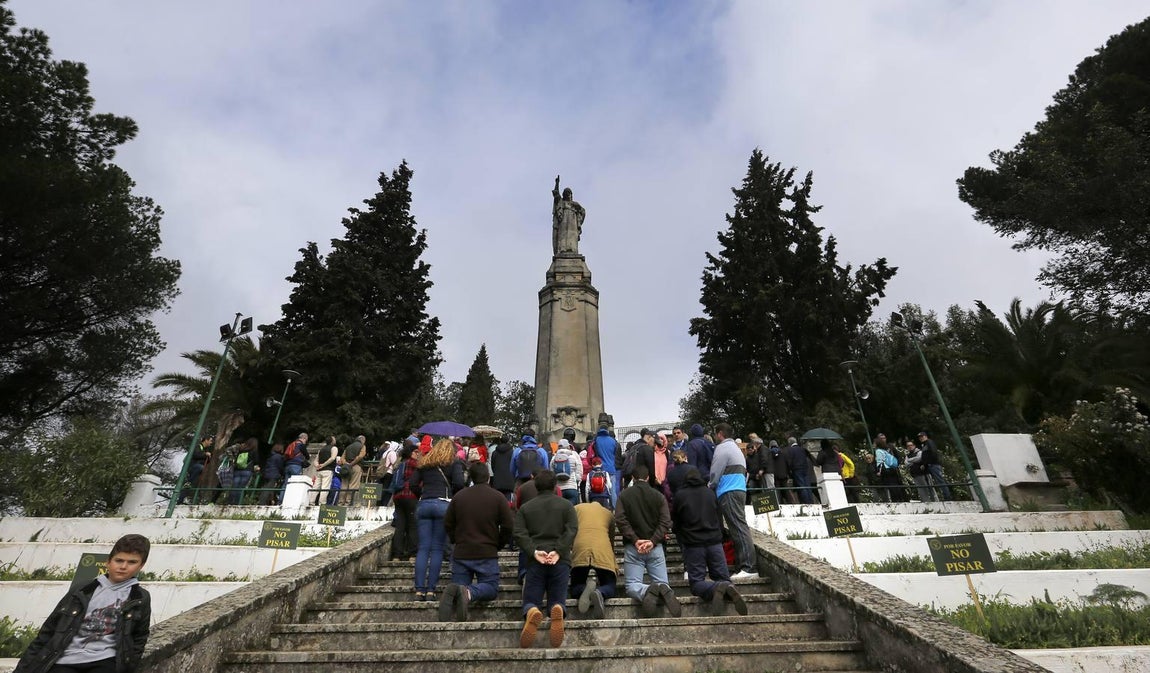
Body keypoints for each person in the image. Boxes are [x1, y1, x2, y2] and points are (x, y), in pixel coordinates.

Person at [16, 534, 152, 673]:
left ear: (141, 565)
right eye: (119, 560)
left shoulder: (140, 597)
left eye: (131, 562)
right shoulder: (82, 590)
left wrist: (129, 665)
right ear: (108, 562)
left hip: (106, 661)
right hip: (64, 658)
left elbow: (139, 637)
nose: (123, 566)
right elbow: (49, 630)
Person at [441, 463, 514, 622]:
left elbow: (448, 523)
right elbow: (508, 525)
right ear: (488, 477)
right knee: (491, 588)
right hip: (486, 552)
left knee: (457, 587)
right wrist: (498, 543)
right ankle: (468, 593)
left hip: (461, 552)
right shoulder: (498, 497)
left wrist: (456, 539)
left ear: (471, 478)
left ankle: (461, 592)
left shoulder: (459, 497)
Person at [514, 470, 578, 649]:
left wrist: (534, 551)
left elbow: (518, 532)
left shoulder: (526, 508)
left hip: (536, 559)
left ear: (535, 485)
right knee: (558, 595)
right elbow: (572, 529)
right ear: (555, 486)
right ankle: (557, 608)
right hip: (561, 560)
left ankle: (532, 610)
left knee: (531, 597)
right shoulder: (566, 506)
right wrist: (558, 551)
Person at [672, 468, 748, 616]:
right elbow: (719, 518)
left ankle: (714, 589)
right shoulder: (710, 493)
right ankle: (724, 586)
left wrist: (681, 538)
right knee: (723, 577)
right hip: (714, 543)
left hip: (693, 545)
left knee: (696, 583)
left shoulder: (680, 495)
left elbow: (676, 522)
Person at [615, 464, 681, 618]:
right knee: (663, 583)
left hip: (633, 548)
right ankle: (662, 589)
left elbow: (620, 519)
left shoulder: (624, 495)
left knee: (631, 586)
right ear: (648, 478)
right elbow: (665, 521)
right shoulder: (658, 496)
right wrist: (652, 540)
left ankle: (646, 591)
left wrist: (635, 539)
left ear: (632, 478)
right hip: (655, 547)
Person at [411, 438, 466, 601]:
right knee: (436, 549)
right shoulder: (453, 462)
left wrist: (421, 495)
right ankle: (430, 591)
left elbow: (413, 483)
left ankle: (419, 590)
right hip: (443, 505)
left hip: (425, 503)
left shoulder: (425, 462)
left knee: (423, 549)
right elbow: (459, 484)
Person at [710, 423, 758, 579]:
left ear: (720, 434)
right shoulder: (736, 449)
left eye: (716, 434)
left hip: (728, 490)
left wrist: (710, 485)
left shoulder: (722, 448)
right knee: (739, 526)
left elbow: (715, 473)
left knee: (738, 528)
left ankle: (749, 568)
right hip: (739, 489)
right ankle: (744, 566)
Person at [569, 500, 617, 619]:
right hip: (603, 549)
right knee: (610, 585)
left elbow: (570, 530)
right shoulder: (608, 513)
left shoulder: (576, 509)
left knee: (575, 586)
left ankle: (584, 589)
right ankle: (600, 592)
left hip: (580, 547)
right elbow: (611, 539)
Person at [388, 444, 420, 560]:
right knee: (412, 525)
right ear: (410, 453)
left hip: (398, 497)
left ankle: (397, 554)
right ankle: (412, 554)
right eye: (416, 452)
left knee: (400, 525)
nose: (418, 454)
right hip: (410, 496)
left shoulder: (400, 464)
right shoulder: (413, 464)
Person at [552, 176, 586, 256]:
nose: (568, 195)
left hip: (572, 221)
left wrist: (579, 221)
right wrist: (557, 183)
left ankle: (572, 250)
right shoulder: (561, 202)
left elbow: (583, 211)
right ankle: (562, 249)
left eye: (569, 193)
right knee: (563, 235)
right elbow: (556, 195)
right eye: (567, 193)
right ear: (564, 195)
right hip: (563, 221)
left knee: (572, 236)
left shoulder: (575, 204)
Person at [590, 426, 620, 508]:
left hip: (600, 469)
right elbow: (616, 454)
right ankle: (614, 509)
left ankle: (602, 509)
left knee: (601, 491)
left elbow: (594, 452)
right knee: (612, 490)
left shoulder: (596, 440)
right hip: (611, 468)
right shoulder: (613, 441)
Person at [918, 431, 952, 501]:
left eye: (922, 436)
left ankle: (947, 497)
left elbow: (933, 453)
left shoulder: (929, 442)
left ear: (925, 436)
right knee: (936, 481)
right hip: (929, 465)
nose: (921, 438)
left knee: (940, 480)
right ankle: (944, 496)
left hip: (933, 464)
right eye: (920, 437)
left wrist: (928, 463)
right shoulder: (924, 445)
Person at [178, 436, 213, 504]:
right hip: (191, 467)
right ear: (206, 440)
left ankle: (180, 501)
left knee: (188, 486)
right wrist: (205, 454)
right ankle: (188, 483)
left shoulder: (203, 450)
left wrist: (208, 457)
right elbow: (196, 455)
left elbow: (205, 461)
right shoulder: (198, 447)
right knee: (200, 468)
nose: (211, 442)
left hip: (195, 471)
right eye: (210, 441)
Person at [551, 439, 582, 506]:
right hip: (572, 487)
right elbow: (579, 471)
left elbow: (551, 473)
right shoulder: (573, 456)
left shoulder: (554, 458)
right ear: (568, 446)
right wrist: (577, 482)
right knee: (572, 510)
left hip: (559, 489)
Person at [783, 437, 814, 505]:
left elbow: (790, 461)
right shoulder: (802, 449)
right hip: (805, 468)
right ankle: (811, 501)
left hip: (797, 469)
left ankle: (806, 502)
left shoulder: (791, 450)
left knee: (801, 486)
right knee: (807, 485)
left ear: (790, 443)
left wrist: (790, 470)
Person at [228, 438, 258, 505]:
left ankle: (230, 502)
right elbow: (256, 461)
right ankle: (236, 504)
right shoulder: (254, 451)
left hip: (237, 470)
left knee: (234, 486)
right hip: (247, 471)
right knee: (240, 488)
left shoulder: (241, 449)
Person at [488, 433, 516, 503]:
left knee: (497, 500)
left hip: (497, 479)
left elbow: (493, 465)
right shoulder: (512, 452)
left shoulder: (495, 452)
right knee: (508, 501)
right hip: (509, 479)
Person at [339, 435, 367, 506]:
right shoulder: (362, 446)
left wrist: (346, 464)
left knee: (344, 485)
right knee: (353, 485)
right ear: (362, 440)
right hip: (356, 466)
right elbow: (360, 456)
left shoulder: (348, 447)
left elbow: (342, 458)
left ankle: (340, 502)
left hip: (345, 468)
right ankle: (348, 502)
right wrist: (352, 464)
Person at [314, 436, 339, 506]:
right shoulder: (334, 448)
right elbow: (332, 458)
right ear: (332, 441)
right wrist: (323, 465)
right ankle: (321, 503)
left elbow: (315, 460)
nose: (335, 440)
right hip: (328, 470)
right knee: (325, 487)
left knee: (316, 487)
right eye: (334, 439)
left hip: (319, 471)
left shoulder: (321, 450)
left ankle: (311, 502)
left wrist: (317, 466)